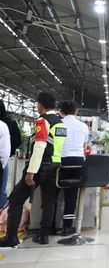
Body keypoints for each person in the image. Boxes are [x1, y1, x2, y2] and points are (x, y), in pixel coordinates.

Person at [0, 92, 67, 247]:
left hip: (40, 165)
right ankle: (44, 235)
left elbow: (39, 145)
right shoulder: (60, 123)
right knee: (49, 201)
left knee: (15, 199)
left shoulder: (43, 120)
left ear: (40, 104)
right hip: (56, 166)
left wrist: (31, 171)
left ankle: (11, 237)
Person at [58, 101, 90, 236]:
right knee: (72, 195)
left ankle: (52, 226)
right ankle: (67, 227)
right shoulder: (83, 126)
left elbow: (57, 143)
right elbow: (84, 145)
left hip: (62, 160)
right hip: (78, 160)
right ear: (76, 111)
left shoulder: (59, 125)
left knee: (54, 193)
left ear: (61, 111)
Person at [0, 99, 21, 207]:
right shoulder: (10, 123)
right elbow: (18, 140)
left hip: (5, 158)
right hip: (5, 159)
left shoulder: (7, 124)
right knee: (2, 189)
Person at [0, 119, 9, 206]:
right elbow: (5, 152)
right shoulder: (2, 126)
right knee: (1, 191)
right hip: (1, 161)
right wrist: (2, 165)